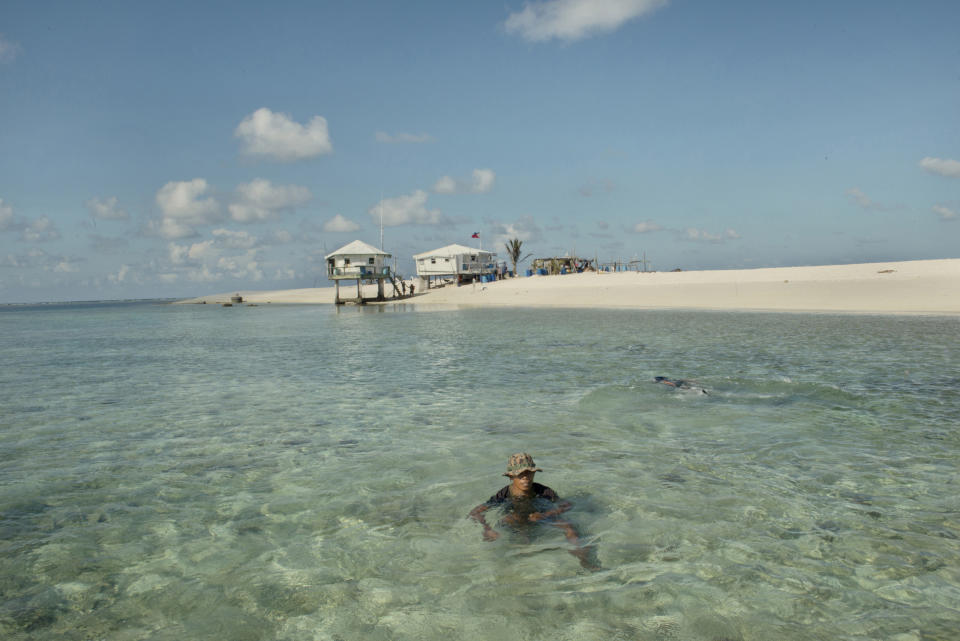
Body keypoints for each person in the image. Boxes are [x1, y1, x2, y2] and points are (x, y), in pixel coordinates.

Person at [469, 453, 598, 569]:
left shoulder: (543, 491)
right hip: (515, 520)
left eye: (529, 473)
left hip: (539, 517)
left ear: (534, 473)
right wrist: (487, 528)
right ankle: (502, 566)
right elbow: (475, 512)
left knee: (569, 526)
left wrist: (545, 514)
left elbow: (566, 505)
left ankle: (585, 560)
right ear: (511, 476)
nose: (525, 477)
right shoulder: (504, 494)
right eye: (520, 474)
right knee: (510, 523)